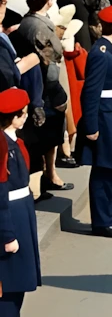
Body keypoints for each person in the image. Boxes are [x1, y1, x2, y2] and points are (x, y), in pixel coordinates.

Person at [79, 2, 112, 237]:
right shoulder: (100, 54)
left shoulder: (107, 48)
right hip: (104, 117)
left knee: (111, 170)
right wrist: (91, 126)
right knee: (103, 169)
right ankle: (102, 221)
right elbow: (90, 93)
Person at [0, 87, 38, 314]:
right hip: (11, 216)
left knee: (20, 281)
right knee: (10, 284)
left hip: (21, 212)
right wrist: (8, 235)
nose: (26, 116)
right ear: (14, 117)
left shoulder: (13, 141)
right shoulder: (3, 146)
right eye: (23, 113)